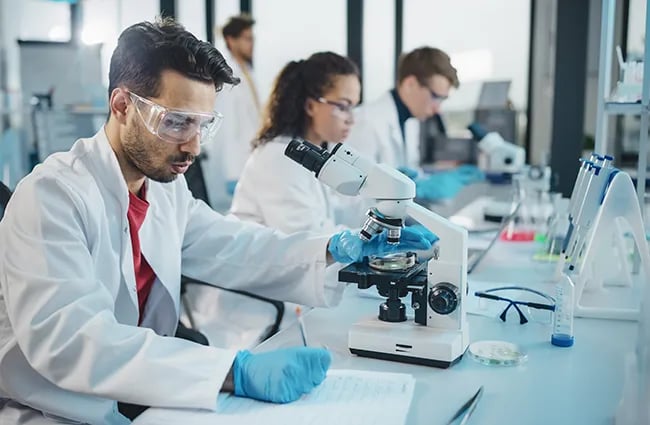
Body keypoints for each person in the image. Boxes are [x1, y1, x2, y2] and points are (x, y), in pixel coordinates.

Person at [0, 19, 437, 424]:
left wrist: (332, 250)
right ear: (121, 106)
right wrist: (234, 370)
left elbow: (235, 247)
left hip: (133, 393)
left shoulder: (166, 189)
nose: (192, 146)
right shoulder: (54, 196)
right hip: (51, 406)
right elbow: (72, 342)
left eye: (202, 125)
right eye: (175, 123)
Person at [230, 52, 361, 233]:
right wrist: (363, 241)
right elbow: (305, 237)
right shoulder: (280, 157)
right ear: (310, 106)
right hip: (266, 260)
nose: (351, 119)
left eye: (353, 107)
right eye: (343, 106)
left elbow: (334, 210)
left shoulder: (314, 151)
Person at [345, 47, 484, 202]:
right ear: (410, 84)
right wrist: (396, 192)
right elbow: (349, 198)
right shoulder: (365, 122)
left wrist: (423, 182)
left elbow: (411, 172)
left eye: (442, 100)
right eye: (435, 97)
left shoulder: (411, 123)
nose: (438, 109)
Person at [201, 14, 262, 211]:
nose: (251, 44)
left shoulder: (247, 72)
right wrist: (233, 171)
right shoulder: (226, 75)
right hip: (234, 163)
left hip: (250, 155)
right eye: (246, 38)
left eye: (252, 38)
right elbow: (226, 127)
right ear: (230, 40)